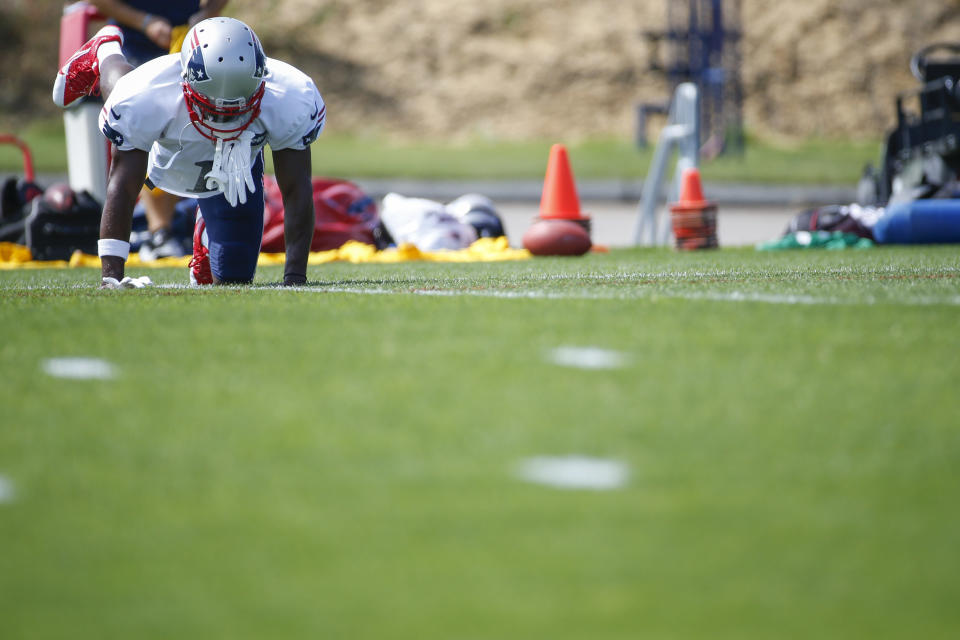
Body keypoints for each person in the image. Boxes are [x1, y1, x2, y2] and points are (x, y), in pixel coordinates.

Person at [53, 16, 325, 287]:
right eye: (213, 109)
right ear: (186, 83)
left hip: (237, 158)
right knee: (121, 90)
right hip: (170, 127)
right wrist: (111, 276)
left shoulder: (291, 96)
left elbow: (297, 189)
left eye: (235, 109)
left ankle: (205, 234)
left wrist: (295, 278)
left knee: (234, 278)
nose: (224, 122)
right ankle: (106, 51)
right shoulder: (148, 94)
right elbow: (123, 186)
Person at [87, 1, 231, 260]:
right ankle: (159, 232)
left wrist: (208, 13)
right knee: (136, 141)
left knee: (198, 133)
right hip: (134, 43)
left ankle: (193, 230)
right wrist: (144, 21)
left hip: (193, 45)